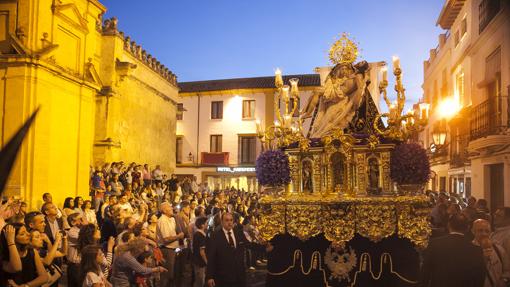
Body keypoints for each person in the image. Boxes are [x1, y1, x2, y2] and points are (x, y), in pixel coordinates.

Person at [419, 214, 486, 287]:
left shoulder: (435, 244)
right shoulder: (476, 249)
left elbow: (425, 273)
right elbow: (480, 278)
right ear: (467, 228)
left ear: (448, 225)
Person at [206, 212, 249, 287]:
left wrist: (264, 247)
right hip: (223, 278)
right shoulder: (215, 236)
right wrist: (209, 276)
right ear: (222, 222)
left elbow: (249, 244)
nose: (229, 223)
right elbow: (211, 257)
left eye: (231, 220)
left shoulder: (238, 233)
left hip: (239, 276)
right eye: (227, 220)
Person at [471, 219, 510, 287]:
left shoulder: (499, 249)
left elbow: (507, 270)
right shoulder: (468, 250)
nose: (484, 234)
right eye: (480, 230)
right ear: (473, 231)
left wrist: (504, 281)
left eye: (487, 231)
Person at [157, 202, 184, 287]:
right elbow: (166, 239)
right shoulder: (162, 220)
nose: (172, 208)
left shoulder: (172, 219)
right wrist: (178, 236)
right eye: (170, 207)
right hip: (167, 250)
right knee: (167, 275)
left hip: (174, 249)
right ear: (164, 210)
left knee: (173, 274)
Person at [192, 217, 208, 287]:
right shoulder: (200, 235)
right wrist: (207, 262)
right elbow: (202, 251)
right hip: (200, 262)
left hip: (196, 261)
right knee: (200, 281)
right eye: (206, 223)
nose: (207, 224)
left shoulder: (197, 234)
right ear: (202, 225)